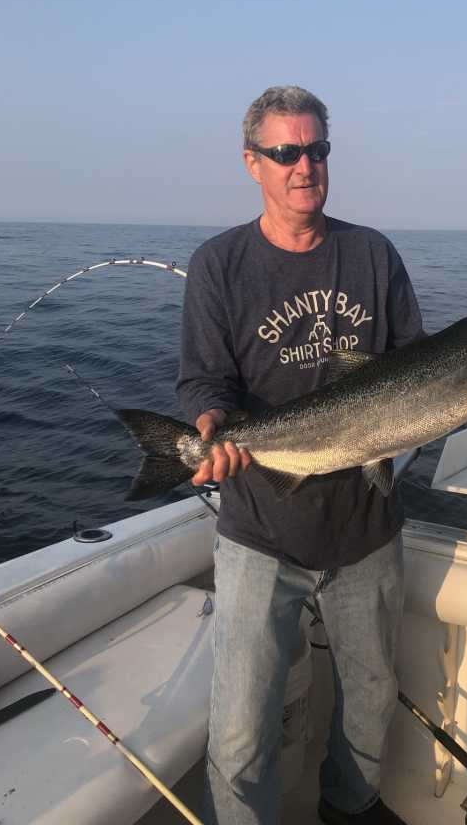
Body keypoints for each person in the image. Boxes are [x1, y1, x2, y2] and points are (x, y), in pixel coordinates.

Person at [176, 86, 423, 825]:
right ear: (253, 162)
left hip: (365, 529)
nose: (304, 165)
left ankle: (348, 808)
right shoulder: (218, 264)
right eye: (285, 152)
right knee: (241, 735)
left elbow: (416, 363)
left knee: (371, 705)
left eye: (316, 149)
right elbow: (204, 379)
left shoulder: (373, 254)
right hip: (261, 532)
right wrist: (211, 423)